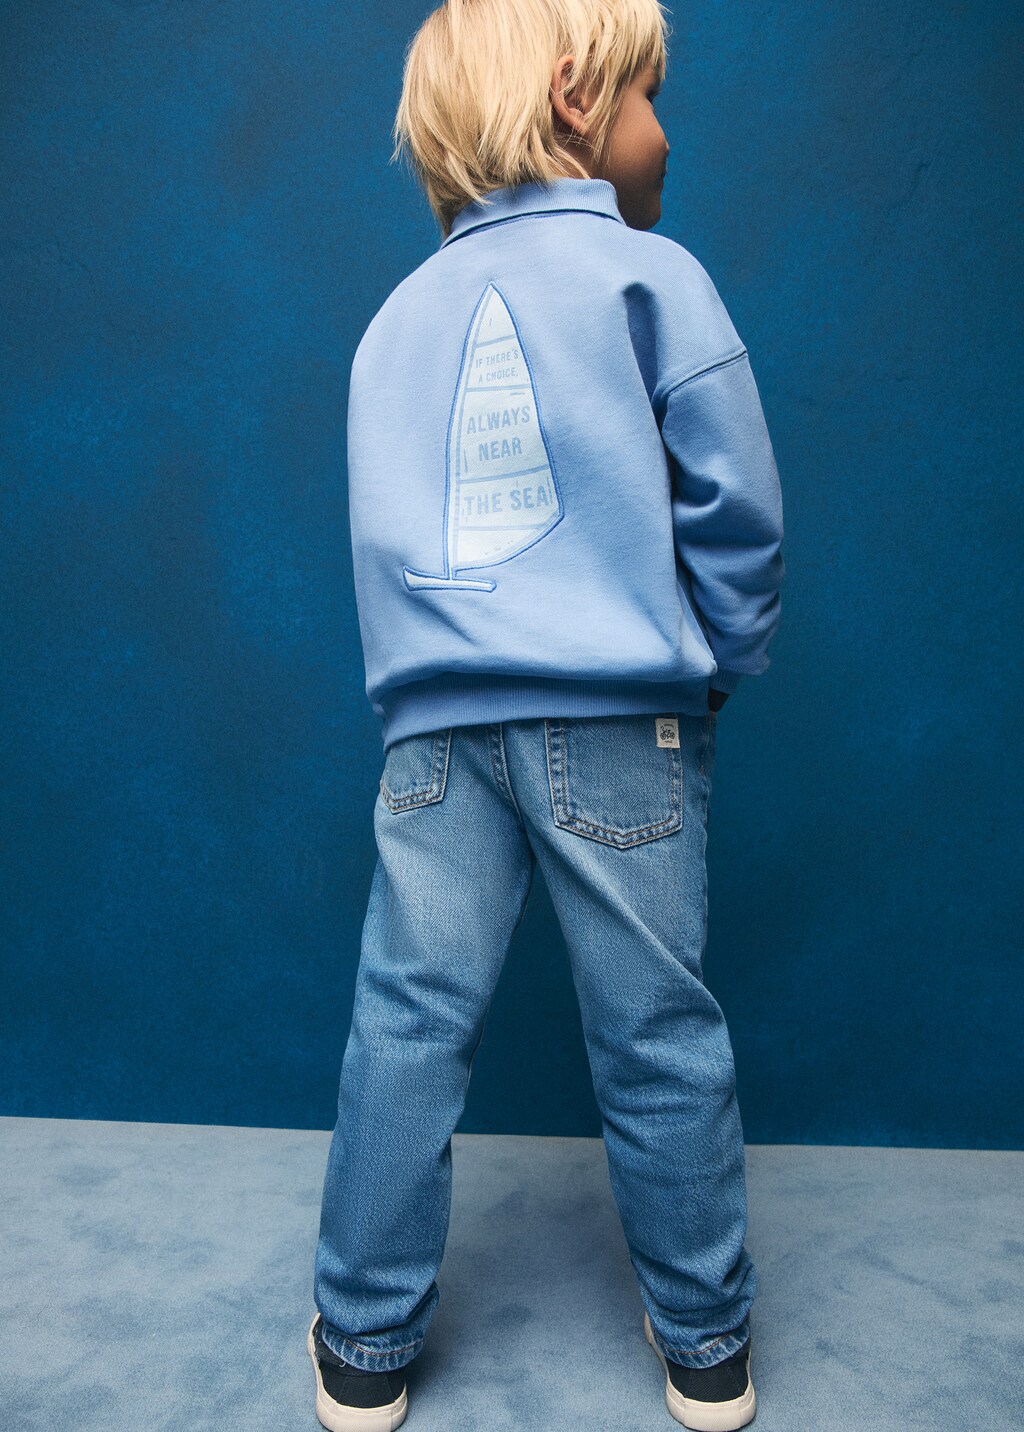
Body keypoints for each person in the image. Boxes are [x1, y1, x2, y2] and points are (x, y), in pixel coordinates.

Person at [307, 1, 785, 1427]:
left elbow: (383, 547)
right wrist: (717, 657)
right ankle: (706, 1344)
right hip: (620, 721)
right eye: (648, 96)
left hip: (432, 737)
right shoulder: (654, 277)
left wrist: (421, 691)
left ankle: (361, 1347)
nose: (665, 130)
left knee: (406, 1026)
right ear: (577, 97)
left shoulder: (391, 326)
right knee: (657, 1034)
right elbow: (737, 509)